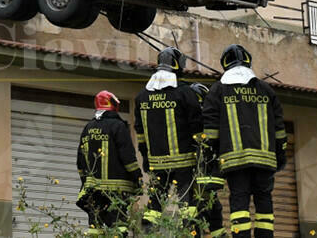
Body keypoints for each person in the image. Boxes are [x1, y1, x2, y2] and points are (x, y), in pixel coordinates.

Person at [203, 45, 287, 238]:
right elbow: (279, 129)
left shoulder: (218, 90)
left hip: (234, 161)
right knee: (264, 201)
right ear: (248, 61)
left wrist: (211, 159)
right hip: (265, 161)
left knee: (239, 203)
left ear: (225, 64)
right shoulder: (266, 89)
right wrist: (280, 156)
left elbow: (210, 130)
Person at [135, 47, 203, 225]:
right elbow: (197, 126)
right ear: (177, 66)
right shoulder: (185, 93)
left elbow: (140, 134)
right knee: (187, 207)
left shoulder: (142, 96)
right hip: (184, 164)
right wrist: (201, 155)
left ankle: (147, 234)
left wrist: (146, 159)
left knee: (154, 206)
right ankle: (189, 235)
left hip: (157, 164)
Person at [76, 90, 142, 234]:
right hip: (116, 192)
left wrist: (85, 182)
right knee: (118, 226)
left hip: (93, 191)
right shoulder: (118, 126)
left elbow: (80, 162)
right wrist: (137, 177)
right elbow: (128, 157)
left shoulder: (88, 128)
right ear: (113, 104)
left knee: (96, 227)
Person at [189, 82, 226, 236]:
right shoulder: (209, 119)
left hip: (195, 181)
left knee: (198, 217)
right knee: (212, 215)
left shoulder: (190, 120)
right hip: (207, 179)